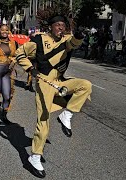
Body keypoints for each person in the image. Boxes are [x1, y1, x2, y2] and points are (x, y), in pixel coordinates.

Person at [15, 15, 92, 178]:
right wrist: (30, 69)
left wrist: (79, 35)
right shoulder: (38, 40)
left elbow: (74, 43)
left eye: (63, 25)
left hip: (59, 81)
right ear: (50, 26)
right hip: (44, 82)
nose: (61, 28)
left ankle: (67, 114)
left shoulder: (66, 40)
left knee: (85, 85)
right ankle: (34, 157)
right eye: (58, 25)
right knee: (43, 120)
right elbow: (19, 53)